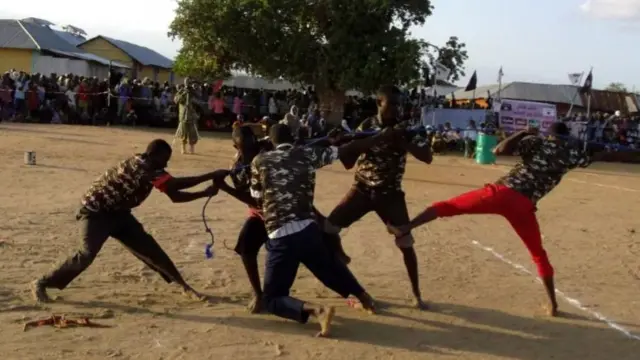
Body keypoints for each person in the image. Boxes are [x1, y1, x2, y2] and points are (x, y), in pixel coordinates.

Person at [386, 122, 606, 316]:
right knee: (538, 254)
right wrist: (588, 144)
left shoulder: (537, 143)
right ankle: (553, 305)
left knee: (449, 206)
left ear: (548, 134)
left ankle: (407, 226)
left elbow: (499, 149)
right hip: (524, 205)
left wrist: (522, 132)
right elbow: (595, 154)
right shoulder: (571, 153)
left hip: (502, 193)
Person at [31, 139, 227, 303]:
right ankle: (42, 283)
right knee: (87, 254)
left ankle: (183, 286)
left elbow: (173, 195)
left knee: (150, 249)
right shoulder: (141, 166)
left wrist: (204, 193)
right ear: (153, 155)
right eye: (164, 160)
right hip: (95, 212)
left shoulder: (151, 167)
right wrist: (211, 175)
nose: (166, 164)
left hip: (119, 213)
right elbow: (175, 184)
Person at [250, 124, 401, 337]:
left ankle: (316, 311)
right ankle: (364, 297)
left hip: (281, 235)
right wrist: (381, 135)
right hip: (308, 230)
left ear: (270, 141)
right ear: (292, 139)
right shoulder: (307, 154)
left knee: (272, 299)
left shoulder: (260, 161)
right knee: (328, 270)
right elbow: (348, 150)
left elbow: (256, 197)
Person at [214, 125, 352, 313]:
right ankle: (258, 294)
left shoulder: (266, 148)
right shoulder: (237, 168)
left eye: (251, 142)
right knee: (246, 247)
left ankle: (350, 282)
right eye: (244, 146)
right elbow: (253, 199)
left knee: (326, 230)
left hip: (290, 207)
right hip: (262, 214)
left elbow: (300, 149)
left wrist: (328, 140)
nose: (249, 147)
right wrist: (226, 187)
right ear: (235, 147)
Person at [324, 85, 433, 310]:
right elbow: (348, 159)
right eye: (391, 104)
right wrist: (358, 142)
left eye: (399, 104)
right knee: (328, 228)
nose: (396, 109)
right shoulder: (367, 126)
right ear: (379, 103)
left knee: (405, 243)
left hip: (390, 194)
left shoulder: (409, 128)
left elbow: (427, 157)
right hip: (362, 189)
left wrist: (401, 140)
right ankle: (342, 259)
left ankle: (416, 293)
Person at [174, 78, 200, 154]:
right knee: (183, 133)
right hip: (183, 115)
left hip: (192, 116)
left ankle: (192, 149)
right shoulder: (181, 91)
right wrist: (184, 93)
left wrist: (192, 92)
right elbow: (176, 100)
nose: (188, 83)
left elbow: (199, 98)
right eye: (187, 82)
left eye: (189, 82)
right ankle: (183, 148)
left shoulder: (193, 91)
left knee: (193, 133)